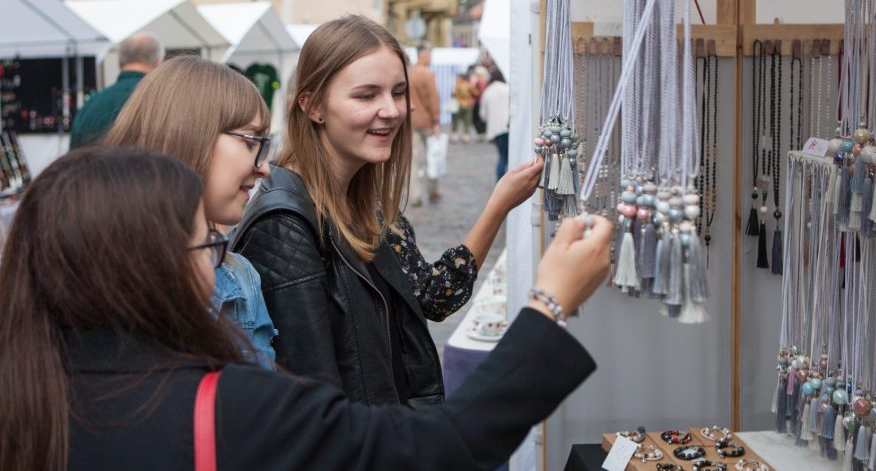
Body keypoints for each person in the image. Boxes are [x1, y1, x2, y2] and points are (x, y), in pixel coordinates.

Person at [0, 146, 611, 471]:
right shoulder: (225, 408)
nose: (216, 260)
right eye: (206, 242)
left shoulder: (25, 396)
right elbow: (435, 446)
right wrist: (547, 303)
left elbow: (429, 293)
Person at [232, 15, 545, 406]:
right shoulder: (285, 224)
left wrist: (498, 205)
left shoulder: (366, 204)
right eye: (367, 95)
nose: (392, 110)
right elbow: (315, 408)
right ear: (313, 107)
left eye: (398, 93)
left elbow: (432, 297)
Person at [104, 56, 277, 369]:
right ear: (190, 133)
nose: (264, 167)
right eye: (252, 142)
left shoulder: (239, 277)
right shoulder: (83, 269)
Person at [69, 32, 163, 149]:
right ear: (159, 64)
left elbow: (72, 160)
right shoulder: (165, 104)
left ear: (120, 63)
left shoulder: (89, 107)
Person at [408, 41, 441, 205]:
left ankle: (415, 195)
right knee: (433, 157)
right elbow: (433, 99)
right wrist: (436, 121)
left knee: (414, 160)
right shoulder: (428, 74)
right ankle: (433, 190)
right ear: (424, 55)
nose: (431, 58)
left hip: (412, 122)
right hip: (427, 122)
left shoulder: (409, 73)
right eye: (429, 55)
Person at [479, 68, 510, 181]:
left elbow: (483, 115)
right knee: (506, 156)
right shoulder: (507, 89)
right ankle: (503, 180)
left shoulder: (487, 92)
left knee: (502, 155)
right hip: (508, 126)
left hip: (495, 130)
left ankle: (501, 180)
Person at [451, 72, 476, 143]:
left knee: (455, 121)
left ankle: (454, 136)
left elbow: (454, 94)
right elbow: (475, 93)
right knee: (467, 121)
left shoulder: (457, 85)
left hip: (458, 105)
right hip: (468, 105)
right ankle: (466, 136)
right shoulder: (469, 85)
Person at [469, 64, 490, 141]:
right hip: (480, 101)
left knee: (477, 117)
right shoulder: (484, 82)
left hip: (479, 101)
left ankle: (481, 132)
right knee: (480, 117)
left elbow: (476, 92)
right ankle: (482, 132)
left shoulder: (479, 82)